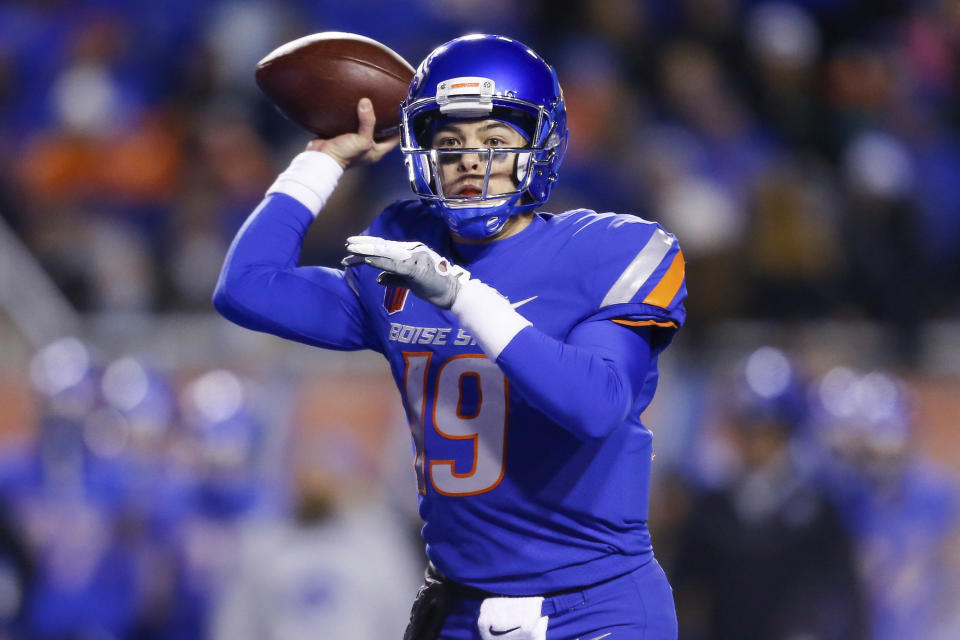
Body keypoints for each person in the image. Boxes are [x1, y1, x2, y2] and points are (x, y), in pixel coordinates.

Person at [214, 34, 686, 640]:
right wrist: (323, 159)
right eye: (449, 141)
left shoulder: (608, 250)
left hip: (595, 608)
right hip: (460, 607)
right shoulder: (409, 255)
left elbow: (595, 406)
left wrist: (460, 295)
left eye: (494, 140)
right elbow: (246, 287)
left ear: (540, 147)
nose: (470, 159)